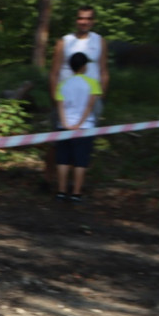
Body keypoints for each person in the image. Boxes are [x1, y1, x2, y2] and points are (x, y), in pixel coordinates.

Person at [46, 6, 109, 190]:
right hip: (66, 99)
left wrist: (101, 96)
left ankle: (75, 185)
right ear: (76, 20)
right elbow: (54, 72)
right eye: (81, 18)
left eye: (88, 18)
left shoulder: (99, 41)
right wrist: (53, 96)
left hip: (90, 98)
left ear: (93, 21)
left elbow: (104, 70)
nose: (84, 22)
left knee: (84, 142)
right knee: (57, 141)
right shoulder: (64, 42)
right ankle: (50, 179)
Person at [53, 52, 102, 203]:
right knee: (81, 161)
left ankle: (61, 192)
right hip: (85, 127)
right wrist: (79, 124)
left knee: (63, 160)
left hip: (63, 127)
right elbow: (90, 105)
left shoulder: (62, 84)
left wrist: (65, 123)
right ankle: (76, 193)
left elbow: (60, 106)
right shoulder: (92, 83)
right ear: (84, 66)